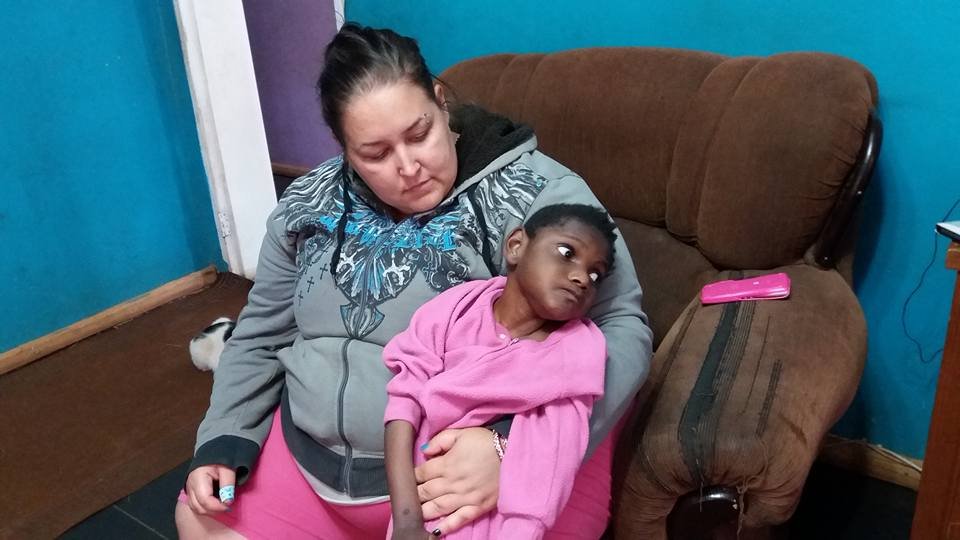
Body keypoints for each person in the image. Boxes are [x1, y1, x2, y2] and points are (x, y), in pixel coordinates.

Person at [176, 22, 653, 540]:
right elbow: (263, 332)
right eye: (375, 154)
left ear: (441, 103)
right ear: (343, 147)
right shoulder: (306, 204)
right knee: (200, 520)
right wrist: (224, 434)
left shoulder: (542, 197)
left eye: (419, 133)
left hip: (461, 472)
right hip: (310, 460)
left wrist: (513, 447)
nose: (408, 167)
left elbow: (622, 328)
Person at [384, 204, 614, 539]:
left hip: (503, 519)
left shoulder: (576, 352)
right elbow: (403, 404)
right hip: (425, 501)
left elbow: (550, 462)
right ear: (516, 245)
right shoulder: (458, 306)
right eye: (567, 253)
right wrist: (406, 521)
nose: (581, 278)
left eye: (595, 275)